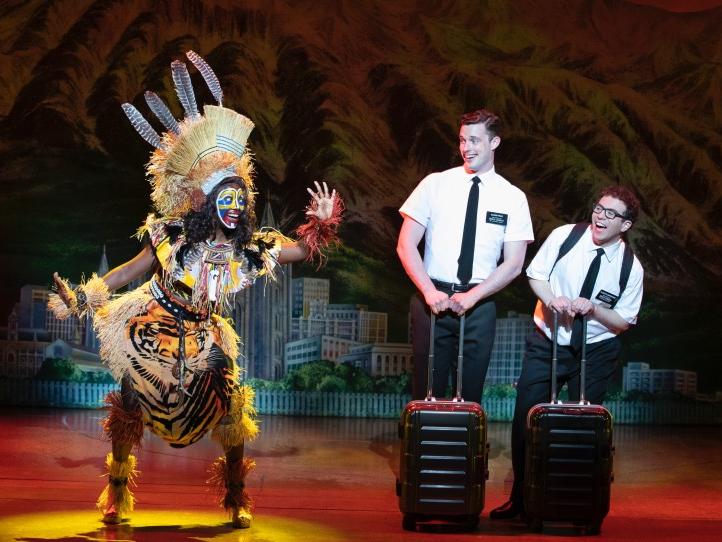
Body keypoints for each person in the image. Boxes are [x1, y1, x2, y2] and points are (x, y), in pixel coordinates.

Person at [49, 51, 342, 529]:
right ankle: (117, 495)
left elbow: (300, 251)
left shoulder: (249, 249)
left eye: (239, 198)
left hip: (204, 335)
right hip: (152, 323)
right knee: (129, 401)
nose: (233, 205)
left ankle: (236, 496)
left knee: (233, 402)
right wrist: (85, 295)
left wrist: (322, 224)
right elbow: (130, 269)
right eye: (224, 197)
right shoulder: (173, 235)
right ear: (207, 202)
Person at [490, 185, 644, 520]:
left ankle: (570, 501)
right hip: (547, 340)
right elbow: (536, 275)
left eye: (610, 214)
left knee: (581, 427)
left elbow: (623, 321)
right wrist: (551, 299)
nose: (600, 217)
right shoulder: (566, 236)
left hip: (595, 350)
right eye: (598, 209)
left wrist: (595, 310)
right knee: (525, 420)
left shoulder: (631, 268)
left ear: (626, 225)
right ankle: (522, 500)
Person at [397, 109, 534, 403]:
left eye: (474, 140)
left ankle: (466, 448)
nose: (466, 148)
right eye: (462, 140)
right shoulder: (435, 184)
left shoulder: (512, 197)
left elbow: (514, 263)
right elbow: (405, 245)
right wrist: (428, 291)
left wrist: (473, 296)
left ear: (494, 142)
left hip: (478, 307)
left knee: (470, 396)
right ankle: (422, 448)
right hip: (431, 300)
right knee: (425, 393)